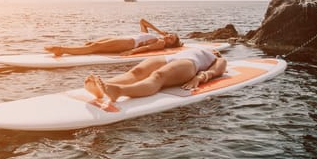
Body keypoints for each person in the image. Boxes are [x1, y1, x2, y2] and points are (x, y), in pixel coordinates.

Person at [85, 48, 227, 102]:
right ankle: (102, 86)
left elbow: (214, 72)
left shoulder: (219, 58)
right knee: (136, 72)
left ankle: (119, 91)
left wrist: (199, 77)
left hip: (189, 63)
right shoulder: (201, 48)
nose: (215, 50)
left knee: (158, 76)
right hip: (170, 57)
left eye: (216, 51)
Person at [45, 18, 182, 57]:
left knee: (94, 47)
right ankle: (65, 50)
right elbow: (142, 21)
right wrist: (159, 30)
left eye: (171, 38)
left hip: (129, 43)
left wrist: (131, 52)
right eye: (170, 34)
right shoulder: (157, 35)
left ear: (170, 43)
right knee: (92, 43)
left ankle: (61, 49)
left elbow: (146, 48)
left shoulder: (159, 43)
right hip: (125, 38)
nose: (168, 36)